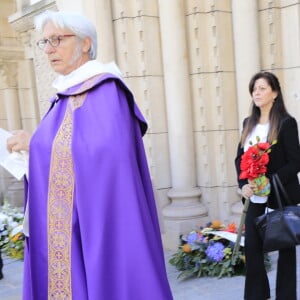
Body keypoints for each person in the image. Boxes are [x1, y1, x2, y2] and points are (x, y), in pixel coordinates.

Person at [7, 10, 173, 300]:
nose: (49, 49)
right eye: (44, 42)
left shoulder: (106, 90)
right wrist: (31, 148)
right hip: (69, 223)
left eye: (57, 39)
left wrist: (34, 145)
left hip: (100, 221)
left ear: (85, 43)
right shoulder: (64, 95)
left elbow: (103, 155)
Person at [235, 71, 300, 300]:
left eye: (262, 88)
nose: (257, 93)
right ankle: (256, 296)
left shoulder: (286, 123)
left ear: (274, 93)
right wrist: (243, 184)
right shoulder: (248, 124)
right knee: (252, 249)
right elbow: (239, 159)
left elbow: (295, 162)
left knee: (286, 250)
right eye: (254, 89)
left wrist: (268, 181)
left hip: (281, 197)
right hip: (254, 198)